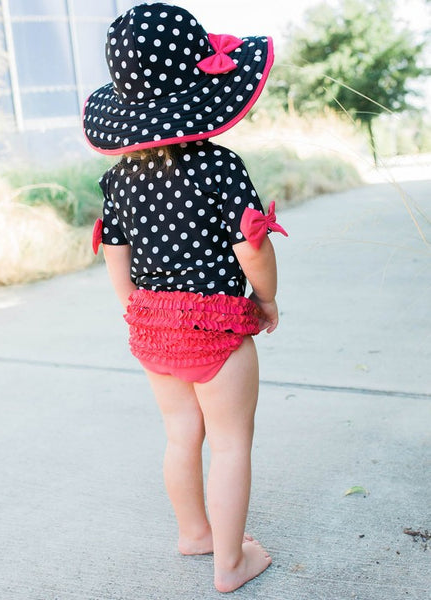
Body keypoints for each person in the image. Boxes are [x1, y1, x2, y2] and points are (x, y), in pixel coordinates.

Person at [83, 2, 288, 593]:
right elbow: (252, 249)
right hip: (216, 327)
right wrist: (266, 299)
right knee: (229, 444)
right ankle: (231, 563)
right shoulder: (220, 168)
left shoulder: (120, 176)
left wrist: (135, 309)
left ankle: (195, 533)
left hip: (152, 328)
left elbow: (113, 249)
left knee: (181, 435)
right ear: (203, 88)